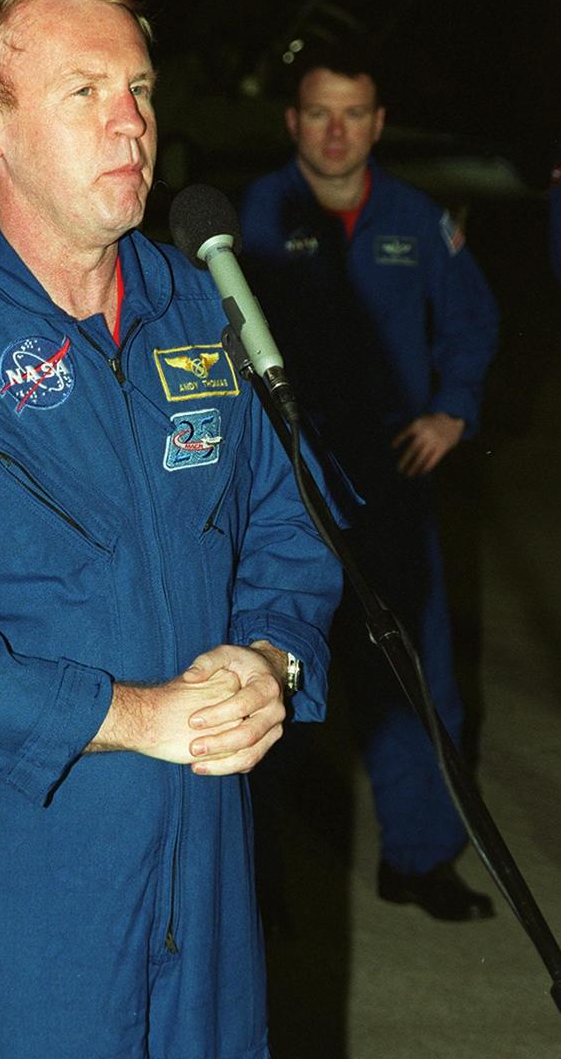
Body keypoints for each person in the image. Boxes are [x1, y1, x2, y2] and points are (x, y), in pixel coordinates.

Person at [0, 0, 343, 1059]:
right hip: (21, 901)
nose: (131, 123)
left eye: (140, 88)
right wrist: (135, 714)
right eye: (85, 92)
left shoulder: (206, 308)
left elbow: (296, 525)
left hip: (207, 883)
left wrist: (273, 658)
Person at [239, 50, 499, 922]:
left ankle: (418, 858)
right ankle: (256, 882)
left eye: (353, 114)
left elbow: (471, 319)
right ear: (293, 121)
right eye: (318, 113)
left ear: (378, 123)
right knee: (265, 681)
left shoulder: (416, 220)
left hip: (390, 491)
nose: (337, 131)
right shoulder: (256, 220)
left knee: (416, 684)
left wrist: (452, 410)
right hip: (287, 498)